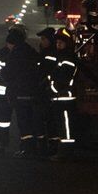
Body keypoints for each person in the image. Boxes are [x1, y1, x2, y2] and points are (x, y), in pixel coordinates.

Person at [0, 26, 42, 157]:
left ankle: (27, 148)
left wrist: (3, 75)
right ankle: (34, 147)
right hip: (32, 91)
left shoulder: (15, 54)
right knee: (31, 120)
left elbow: (7, 73)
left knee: (23, 121)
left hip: (19, 92)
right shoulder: (30, 50)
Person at [50, 28, 80, 161]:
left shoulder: (67, 58)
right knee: (62, 125)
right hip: (60, 97)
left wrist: (53, 87)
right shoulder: (62, 57)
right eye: (57, 43)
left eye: (61, 43)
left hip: (65, 97)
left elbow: (62, 78)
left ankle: (65, 152)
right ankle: (62, 151)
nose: (58, 45)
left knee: (66, 125)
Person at [35, 27, 58, 157]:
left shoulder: (50, 54)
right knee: (44, 119)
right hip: (43, 91)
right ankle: (46, 145)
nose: (42, 41)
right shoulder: (44, 52)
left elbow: (47, 72)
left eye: (44, 39)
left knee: (49, 119)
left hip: (48, 92)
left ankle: (51, 145)